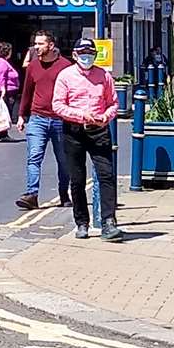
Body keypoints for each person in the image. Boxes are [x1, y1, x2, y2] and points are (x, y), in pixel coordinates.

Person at [54, 39, 124, 241]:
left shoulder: (104, 75)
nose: (87, 57)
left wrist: (106, 116)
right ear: (75, 55)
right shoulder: (65, 76)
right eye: (82, 53)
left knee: (106, 175)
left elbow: (113, 103)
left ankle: (109, 222)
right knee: (77, 179)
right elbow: (58, 105)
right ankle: (81, 222)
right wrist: (80, 115)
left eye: (90, 53)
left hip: (99, 130)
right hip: (74, 130)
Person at [15, 30, 72, 211]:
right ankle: (32, 194)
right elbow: (27, 91)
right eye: (35, 44)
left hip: (60, 120)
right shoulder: (33, 66)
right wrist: (21, 115)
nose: (36, 47)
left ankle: (64, 193)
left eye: (40, 44)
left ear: (51, 45)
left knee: (63, 160)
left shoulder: (66, 66)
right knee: (34, 158)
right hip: (37, 118)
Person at [0, 42, 21, 141]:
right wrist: (3, 90)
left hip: (10, 90)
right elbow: (1, 77)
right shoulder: (1, 62)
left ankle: (3, 134)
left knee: (6, 112)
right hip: (5, 90)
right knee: (2, 112)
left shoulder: (4, 61)